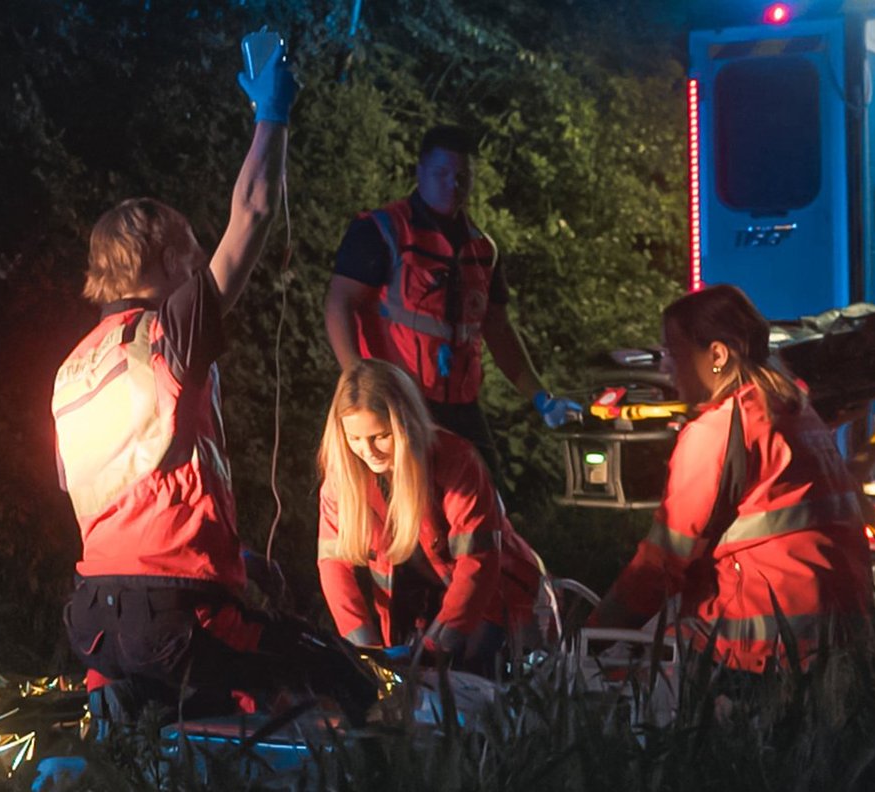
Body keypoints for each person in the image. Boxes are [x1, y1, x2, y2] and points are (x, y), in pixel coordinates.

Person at [51, 41, 376, 724]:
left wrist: (236, 558)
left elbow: (128, 491)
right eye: (190, 245)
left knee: (188, 725)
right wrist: (272, 113)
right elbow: (252, 214)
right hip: (177, 617)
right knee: (341, 682)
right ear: (167, 257)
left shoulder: (73, 369)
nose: (201, 256)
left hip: (97, 622)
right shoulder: (168, 331)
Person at [586, 285, 871, 673]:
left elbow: (662, 562)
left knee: (622, 677)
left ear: (718, 355)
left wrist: (594, 634)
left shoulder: (717, 431)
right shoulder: (794, 411)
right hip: (835, 640)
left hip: (757, 650)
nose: (666, 367)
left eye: (674, 352)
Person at [323, 125, 579, 472]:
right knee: (406, 501)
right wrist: (359, 384)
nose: (452, 185)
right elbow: (339, 303)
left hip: (460, 406)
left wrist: (541, 397)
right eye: (441, 174)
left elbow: (498, 330)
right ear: (420, 172)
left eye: (462, 177)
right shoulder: (382, 231)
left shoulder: (482, 249)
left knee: (487, 493)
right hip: (396, 404)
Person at [317, 359, 544, 674]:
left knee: (470, 684)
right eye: (354, 439)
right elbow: (333, 567)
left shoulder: (456, 460)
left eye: (381, 435)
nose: (368, 451)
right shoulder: (342, 477)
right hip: (414, 609)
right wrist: (364, 650)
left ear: (406, 423)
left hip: (492, 602)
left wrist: (435, 648)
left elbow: (478, 563)